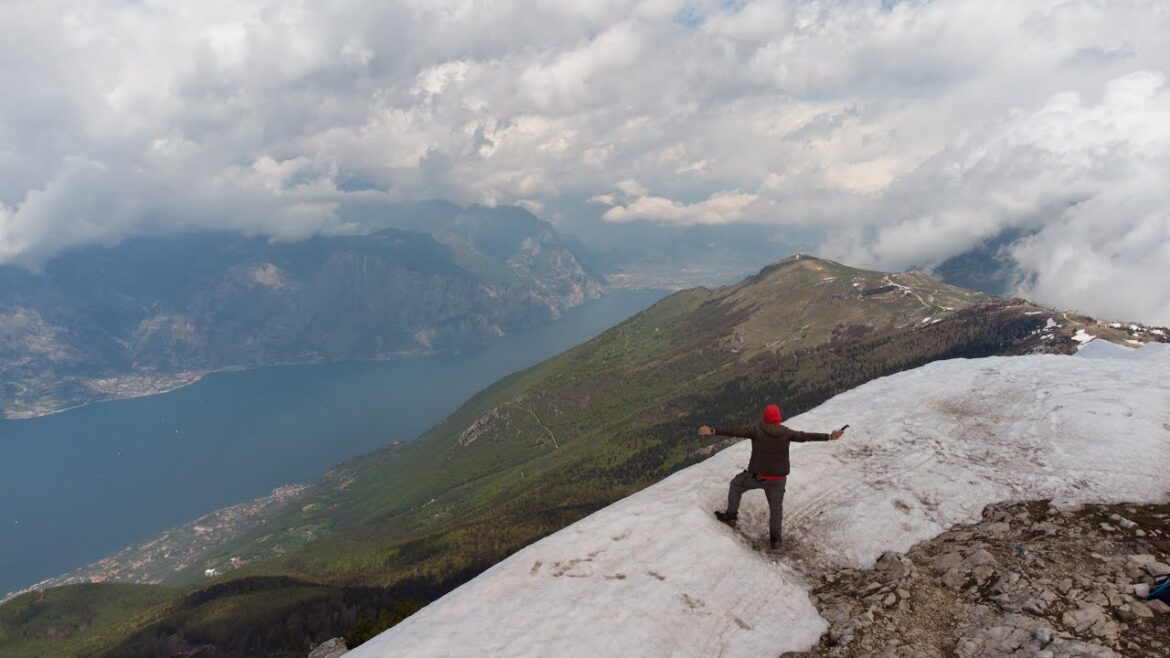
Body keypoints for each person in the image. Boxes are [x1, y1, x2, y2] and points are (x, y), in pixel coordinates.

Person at [698, 404, 845, 550]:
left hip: (758, 477)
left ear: (765, 418)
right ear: (778, 419)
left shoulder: (756, 430)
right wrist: (830, 437)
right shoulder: (786, 432)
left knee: (736, 485)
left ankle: (731, 517)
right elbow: (805, 436)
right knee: (776, 509)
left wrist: (712, 430)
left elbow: (735, 431)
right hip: (778, 480)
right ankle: (776, 541)